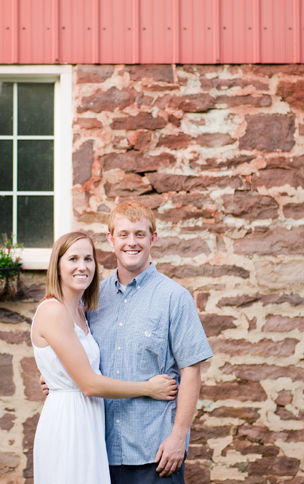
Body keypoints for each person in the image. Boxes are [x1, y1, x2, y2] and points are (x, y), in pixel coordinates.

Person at [31, 231, 179, 484]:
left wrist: (54, 376)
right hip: (69, 422)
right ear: (57, 267)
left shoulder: (81, 311)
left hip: (89, 421)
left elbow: (69, 362)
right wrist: (148, 388)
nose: (82, 267)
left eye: (88, 259)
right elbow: (89, 384)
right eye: (73, 259)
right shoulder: (54, 311)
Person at [91, 201, 212, 483]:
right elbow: (76, 354)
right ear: (110, 239)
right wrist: (55, 379)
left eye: (139, 234)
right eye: (123, 234)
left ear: (152, 238)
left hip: (154, 452)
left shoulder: (174, 297)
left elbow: (191, 372)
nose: (131, 243)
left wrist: (178, 437)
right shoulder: (94, 299)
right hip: (99, 449)